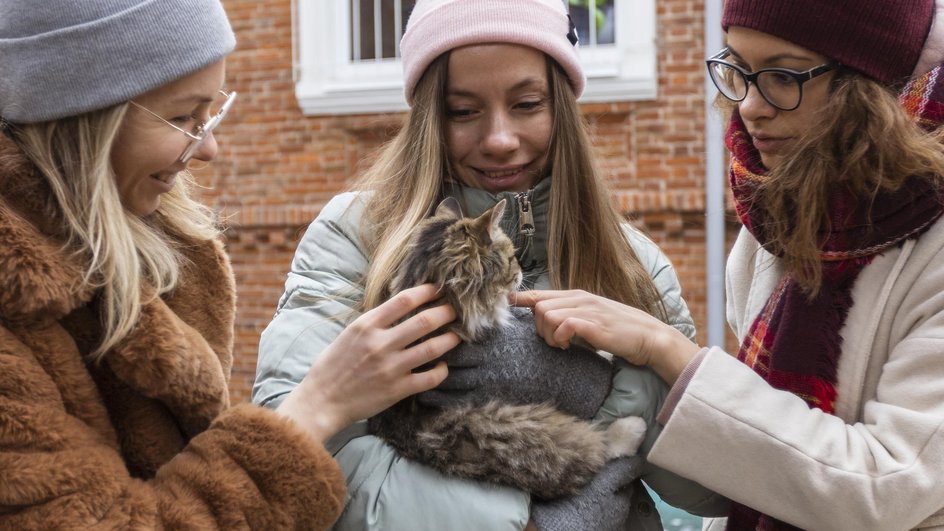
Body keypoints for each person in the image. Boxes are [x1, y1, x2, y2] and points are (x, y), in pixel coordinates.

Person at [253, 0, 727, 529]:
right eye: (463, 111)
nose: (500, 140)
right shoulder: (357, 236)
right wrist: (526, 524)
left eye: (526, 104)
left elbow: (710, 492)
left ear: (561, 108)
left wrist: (645, 367)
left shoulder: (632, 260)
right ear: (430, 118)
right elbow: (297, 455)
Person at [0, 0, 459, 527]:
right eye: (182, 117)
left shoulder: (156, 248)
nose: (211, 147)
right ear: (83, 117)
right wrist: (316, 409)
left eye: (213, 111)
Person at [511, 0, 944, 529]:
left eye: (783, 75)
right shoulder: (781, 217)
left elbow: (887, 488)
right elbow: (758, 455)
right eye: (738, 67)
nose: (750, 106)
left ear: (871, 86)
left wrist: (668, 352)